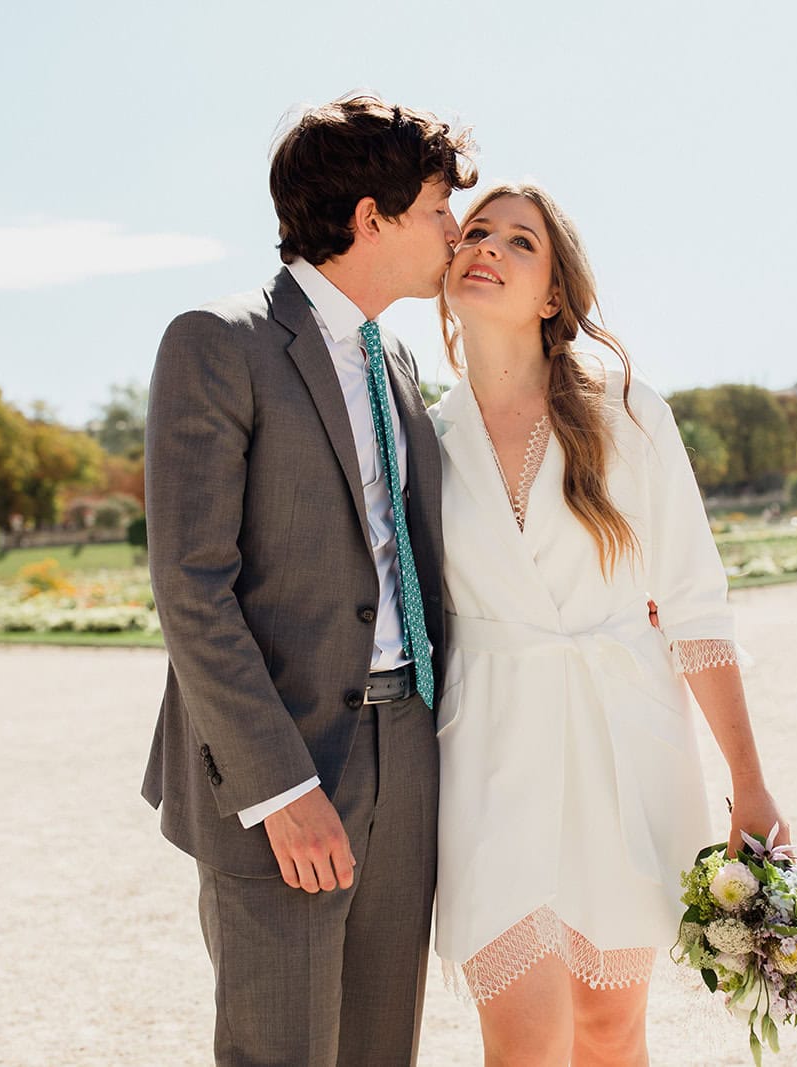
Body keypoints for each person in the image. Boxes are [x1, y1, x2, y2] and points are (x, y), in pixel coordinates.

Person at [140, 94, 476, 1066]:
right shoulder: (217, 341)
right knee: (281, 1049)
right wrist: (280, 786)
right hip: (284, 762)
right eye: (436, 212)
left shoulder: (400, 356)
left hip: (405, 749)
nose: (453, 235)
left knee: (383, 1047)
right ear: (370, 218)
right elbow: (190, 585)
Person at [429, 183, 790, 1066]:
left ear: (554, 292)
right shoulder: (420, 432)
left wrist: (750, 780)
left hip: (622, 745)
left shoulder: (629, 413)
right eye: (476, 231)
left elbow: (694, 603)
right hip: (489, 752)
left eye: (522, 242)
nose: (489, 248)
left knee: (607, 1032)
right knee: (522, 1043)